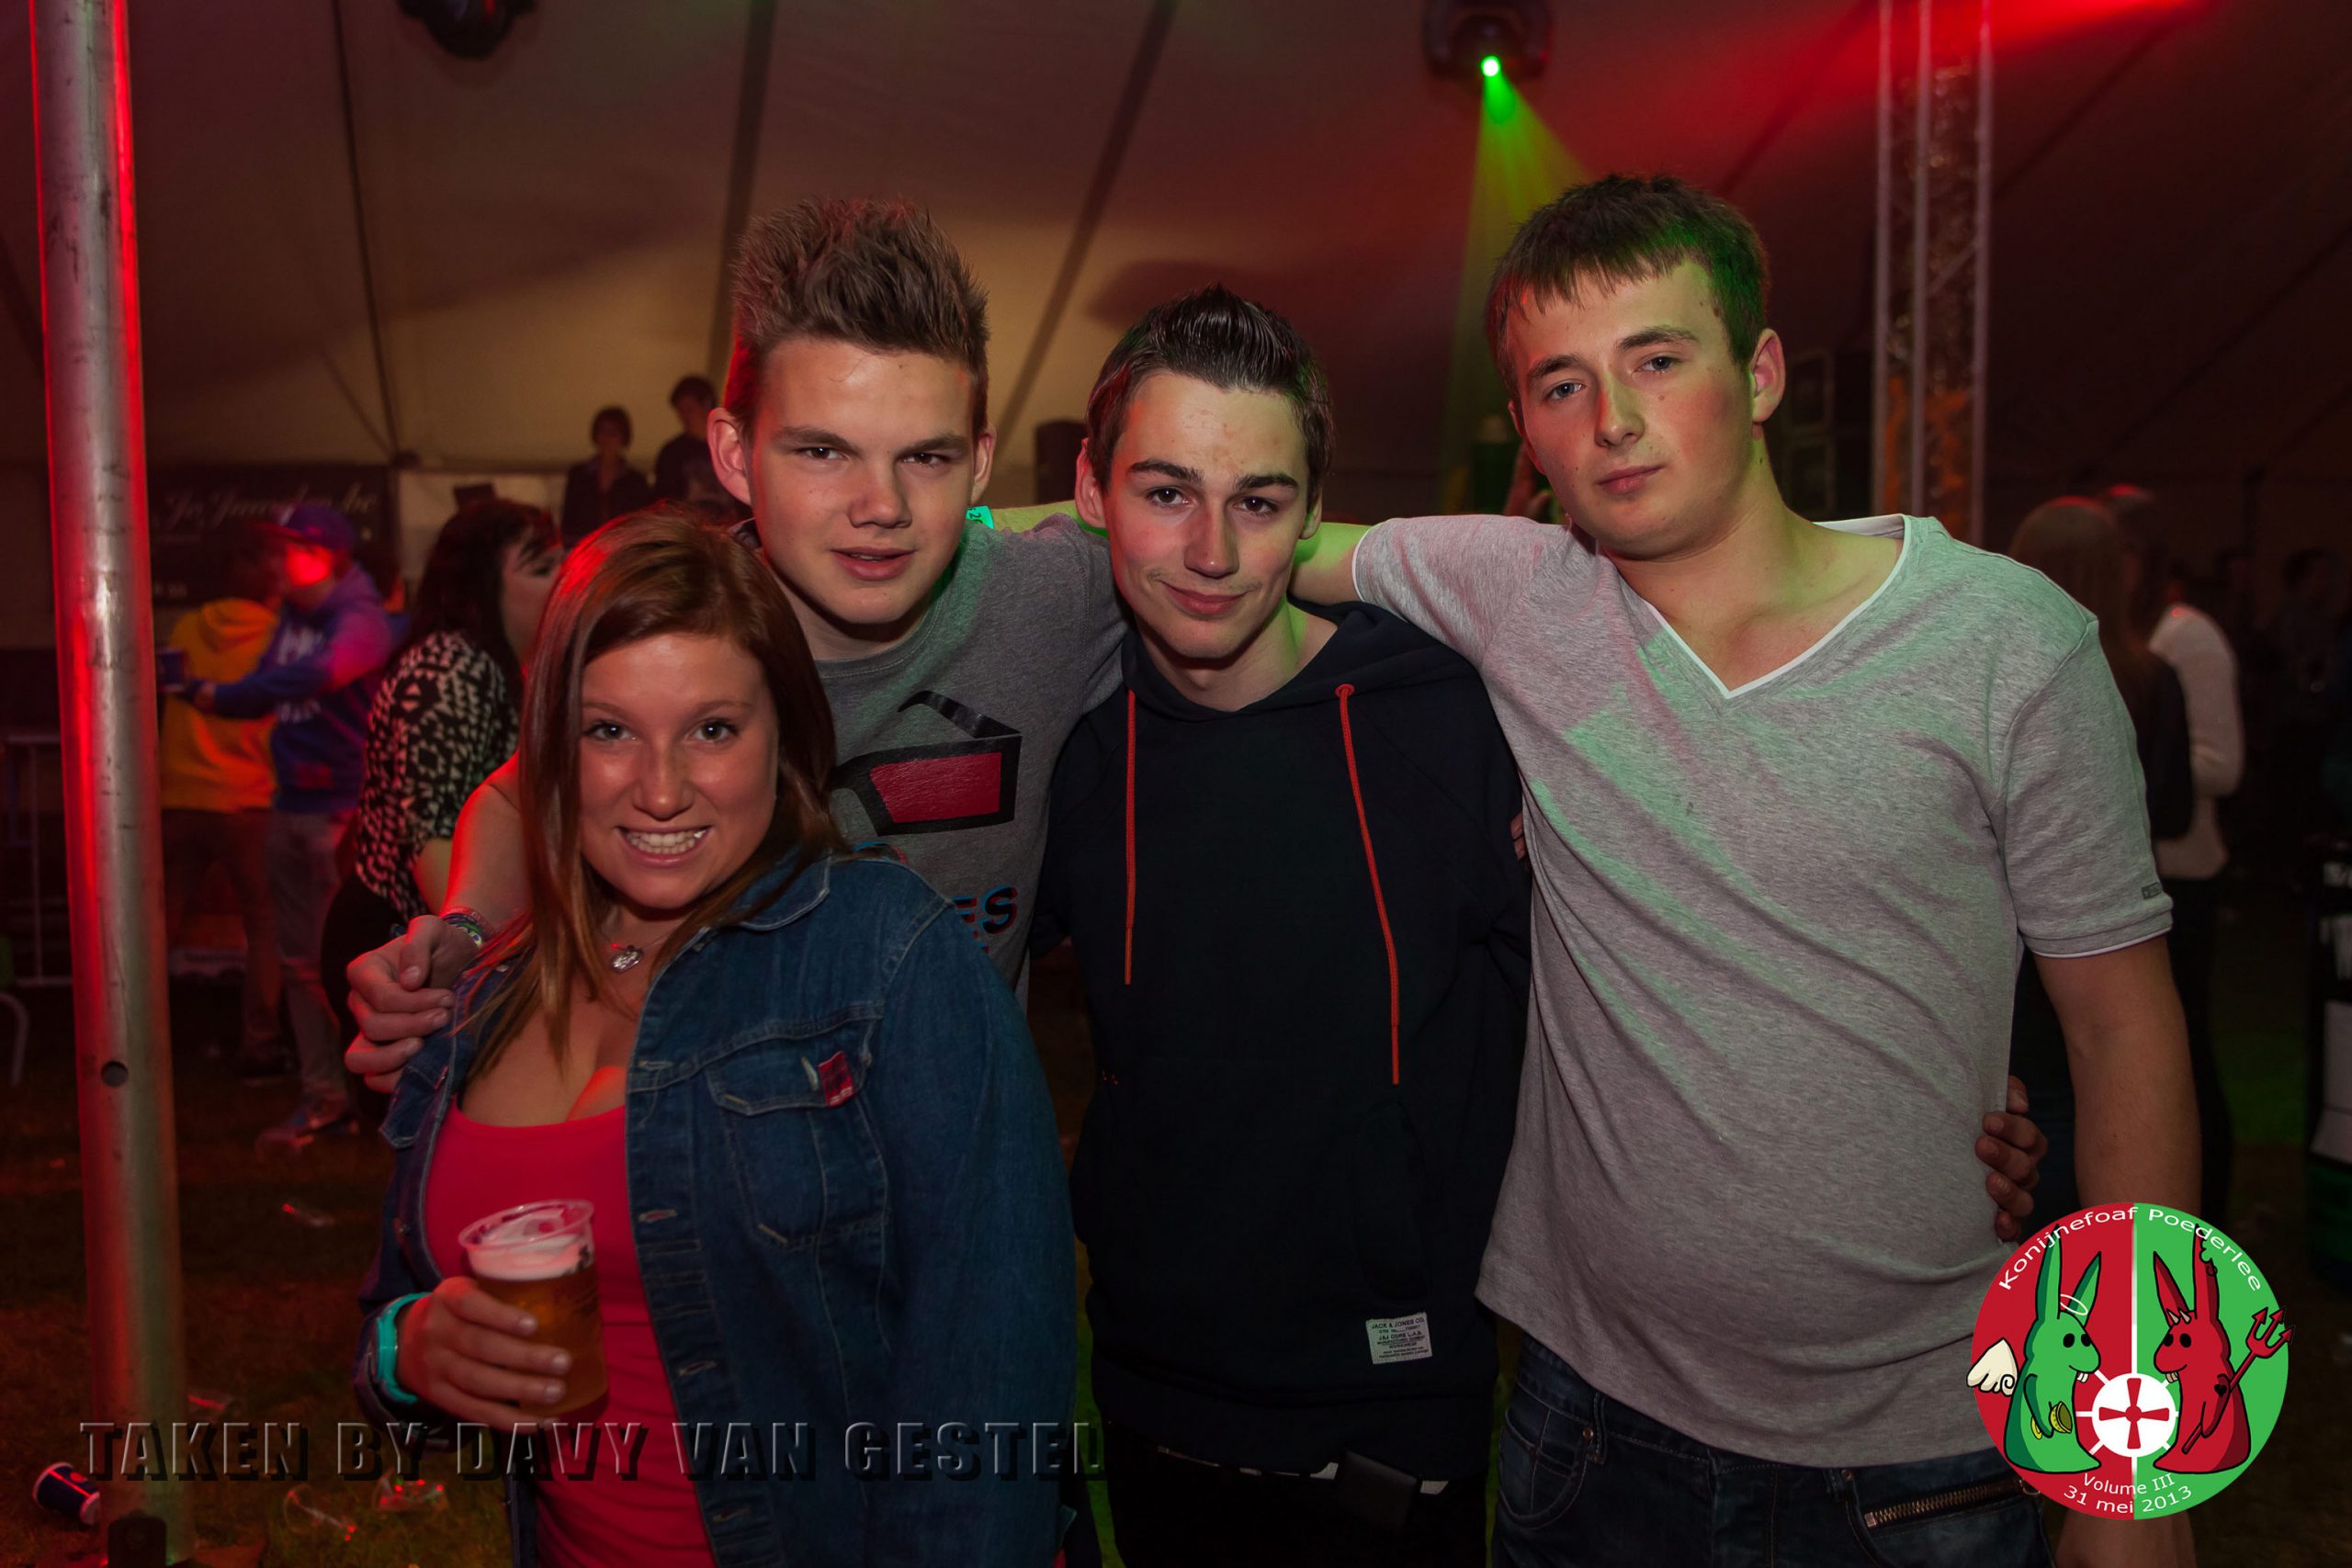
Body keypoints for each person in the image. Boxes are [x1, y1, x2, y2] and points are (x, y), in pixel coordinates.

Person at [1286, 175, 2194, 1567]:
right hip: (1591, 1429)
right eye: (1562, 385)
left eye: (1657, 359)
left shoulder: (2006, 642)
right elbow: (1224, 535)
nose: (1614, 418)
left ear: (1760, 373)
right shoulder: (1523, 595)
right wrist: (972, 523)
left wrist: (2135, 1481)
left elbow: (2125, 1036)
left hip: (1928, 1456)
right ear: (1526, 429)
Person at [351, 510, 1074, 1567]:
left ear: (783, 738)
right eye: (609, 732)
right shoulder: (486, 998)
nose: (660, 789)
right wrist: (405, 1351)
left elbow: (992, 1389)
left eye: (712, 730)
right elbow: (397, 1309)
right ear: (549, 747)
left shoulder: (882, 958)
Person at [1035, 287, 1527, 1565]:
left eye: (1256, 501)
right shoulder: (1072, 745)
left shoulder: (1450, 716)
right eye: (1165, 491)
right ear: (1091, 489)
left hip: (1391, 1410)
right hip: (1150, 1395)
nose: (1209, 549)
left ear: (1314, 515)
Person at [2006, 497, 2195, 1223]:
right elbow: (2174, 810)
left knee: (2030, 1108)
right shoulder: (2151, 677)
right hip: (2115, 933)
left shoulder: (2004, 681)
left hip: (2022, 954)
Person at [322, 500, 562, 1065]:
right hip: (404, 941)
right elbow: (433, 842)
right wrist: (475, 946)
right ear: (478, 586)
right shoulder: (448, 669)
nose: (563, 582)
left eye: (562, 563)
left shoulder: (506, 665)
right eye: (540, 568)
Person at [184, 502, 393, 1147]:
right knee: (302, 961)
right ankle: (326, 1097)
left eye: (291, 549)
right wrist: (214, 693)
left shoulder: (360, 619)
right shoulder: (294, 617)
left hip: (343, 810)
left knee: (349, 962)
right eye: (275, 549)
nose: (278, 562)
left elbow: (317, 674)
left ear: (327, 554)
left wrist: (218, 694)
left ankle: (372, 1098)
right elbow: (274, 682)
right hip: (292, 802)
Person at [159, 522, 284, 1073]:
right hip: (247, 797)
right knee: (264, 922)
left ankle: (138, 1036)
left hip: (180, 793)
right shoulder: (279, 636)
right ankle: (260, 1044)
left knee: (157, 921)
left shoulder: (187, 625)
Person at [560, 405, 655, 545]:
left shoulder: (636, 481)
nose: (607, 438)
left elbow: (641, 524)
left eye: (613, 432)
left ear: (623, 437)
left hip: (621, 549)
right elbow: (569, 522)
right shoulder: (579, 475)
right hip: (584, 547)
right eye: (602, 431)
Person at [653, 374, 730, 510]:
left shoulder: (729, 447)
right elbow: (664, 500)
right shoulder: (671, 453)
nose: (685, 417)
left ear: (706, 405)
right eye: (681, 411)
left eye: (690, 409)